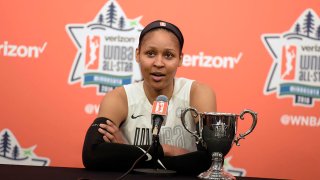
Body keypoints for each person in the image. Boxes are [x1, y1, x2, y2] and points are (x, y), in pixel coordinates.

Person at [82, 20, 217, 175]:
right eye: (150, 53)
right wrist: (167, 150)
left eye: (168, 55)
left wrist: (130, 153)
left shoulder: (198, 93)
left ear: (180, 59)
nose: (158, 63)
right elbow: (92, 154)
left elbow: (207, 160)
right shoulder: (119, 98)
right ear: (138, 54)